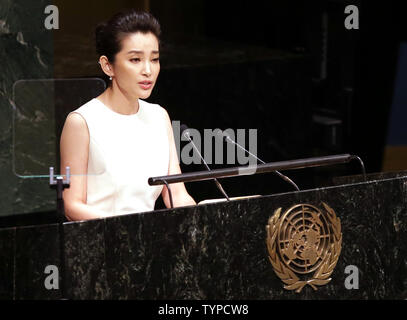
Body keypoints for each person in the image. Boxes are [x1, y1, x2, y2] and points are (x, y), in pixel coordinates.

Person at [60, 10, 196, 221]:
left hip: (148, 242)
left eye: (155, 59)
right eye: (135, 60)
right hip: (103, 242)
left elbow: (176, 195)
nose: (148, 70)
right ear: (108, 65)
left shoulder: (159, 116)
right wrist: (127, 231)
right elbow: (72, 205)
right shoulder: (82, 122)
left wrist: (201, 217)